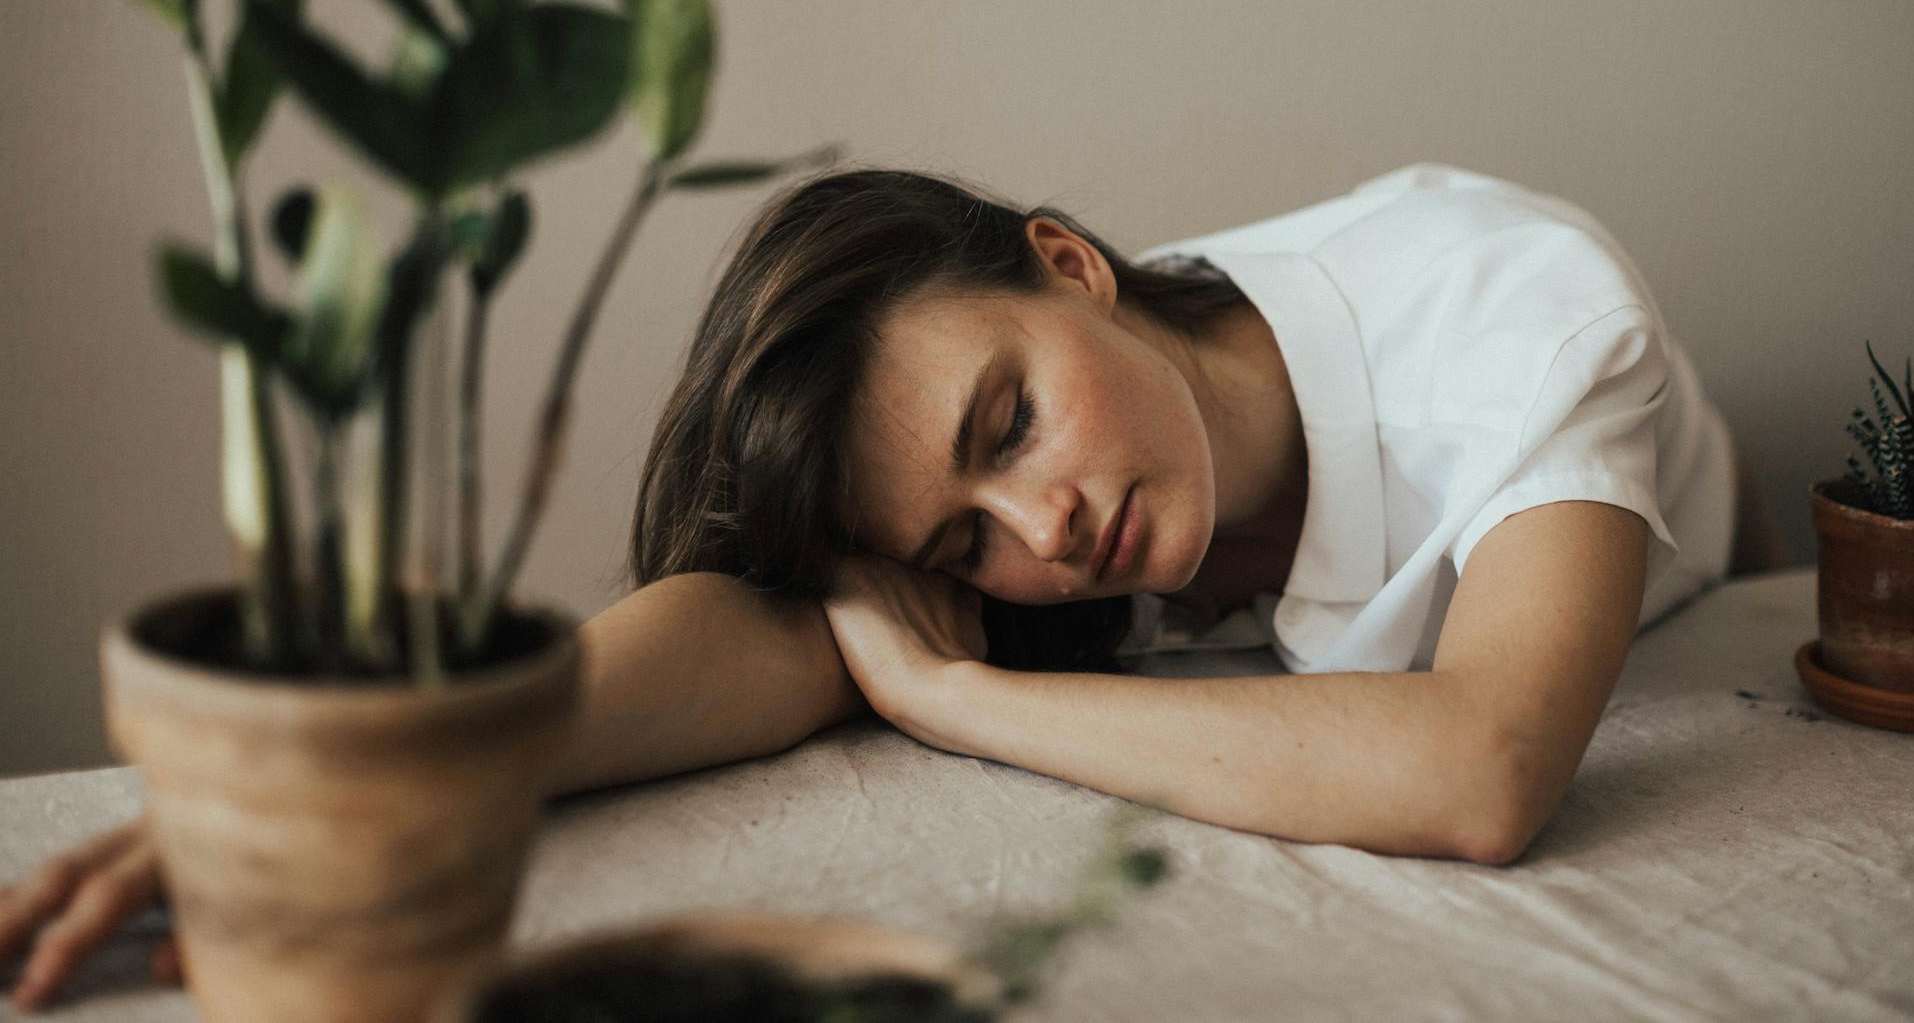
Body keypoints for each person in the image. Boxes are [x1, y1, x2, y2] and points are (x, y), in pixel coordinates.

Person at [0, 160, 1768, 1012]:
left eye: (1011, 419)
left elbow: (1478, 773)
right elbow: (769, 620)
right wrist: (381, 768)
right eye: (958, 545)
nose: (1039, 531)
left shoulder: (1523, 313)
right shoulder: (1042, 477)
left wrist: (960, 695)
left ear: (1072, 266)